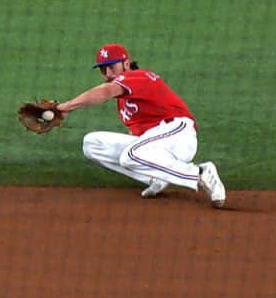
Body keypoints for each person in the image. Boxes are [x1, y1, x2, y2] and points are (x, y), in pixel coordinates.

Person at [55, 44, 226, 208]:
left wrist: (66, 106)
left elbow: (105, 92)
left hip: (178, 135)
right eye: (103, 69)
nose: (108, 73)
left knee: (129, 155)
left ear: (126, 64)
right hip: (159, 143)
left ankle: (201, 173)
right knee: (92, 143)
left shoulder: (137, 77)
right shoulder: (123, 103)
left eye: (111, 67)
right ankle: (155, 177)